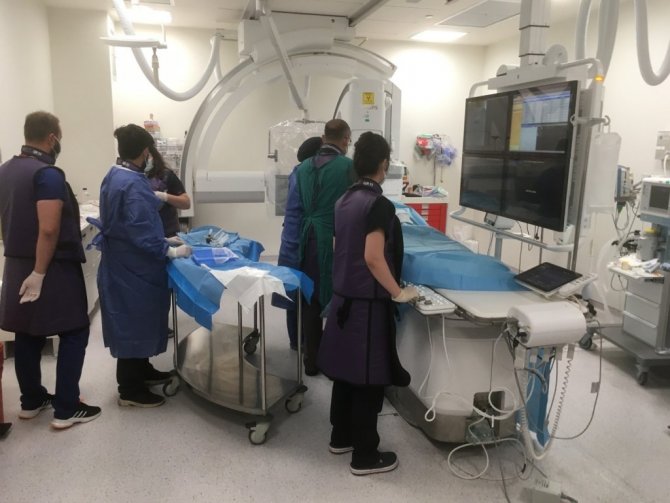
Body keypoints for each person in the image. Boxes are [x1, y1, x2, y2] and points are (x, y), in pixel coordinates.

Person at [317, 132, 418, 476]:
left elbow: (341, 247)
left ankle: (340, 437)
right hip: (366, 308)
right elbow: (374, 258)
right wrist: (398, 292)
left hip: (343, 301)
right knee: (367, 380)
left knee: (345, 375)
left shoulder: (344, 200)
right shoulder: (379, 205)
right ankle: (365, 455)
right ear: (384, 164)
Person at [0, 111, 101, 429]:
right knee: (75, 330)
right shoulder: (47, 175)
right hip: (50, 266)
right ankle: (67, 408)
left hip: (16, 264)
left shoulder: (5, 170)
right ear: (52, 138)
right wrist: (40, 273)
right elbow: (48, 229)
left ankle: (31, 401)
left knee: (27, 331)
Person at [97, 124, 191, 408]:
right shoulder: (134, 184)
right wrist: (168, 250)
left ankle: (143, 370)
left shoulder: (114, 174)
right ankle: (129, 389)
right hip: (134, 268)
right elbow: (139, 229)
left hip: (124, 261)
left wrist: (163, 238)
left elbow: (127, 224)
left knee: (138, 321)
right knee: (133, 323)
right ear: (146, 151)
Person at [295, 120, 356, 375]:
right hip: (334, 238)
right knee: (335, 297)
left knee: (310, 298)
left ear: (323, 137)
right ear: (345, 139)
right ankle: (333, 361)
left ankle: (311, 362)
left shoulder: (302, 168)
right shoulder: (347, 167)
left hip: (307, 238)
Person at [276, 136, 323, 350]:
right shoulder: (307, 175)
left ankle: (296, 341)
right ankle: (304, 342)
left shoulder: (296, 172)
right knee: (304, 294)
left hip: (290, 239)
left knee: (292, 293)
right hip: (299, 240)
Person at [145, 144, 191, 238]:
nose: (144, 159)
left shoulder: (165, 175)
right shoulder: (134, 177)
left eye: (147, 156)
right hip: (146, 232)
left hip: (168, 231)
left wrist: (164, 196)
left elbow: (186, 203)